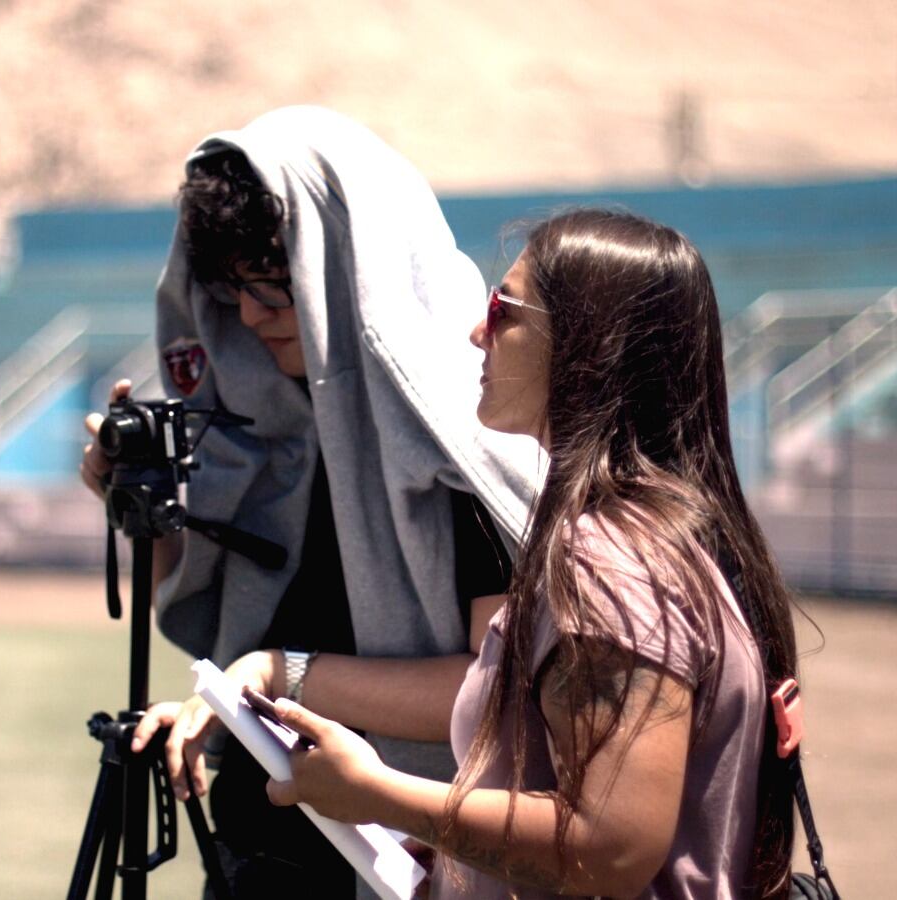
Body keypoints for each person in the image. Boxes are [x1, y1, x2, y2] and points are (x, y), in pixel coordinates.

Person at [261, 208, 803, 899]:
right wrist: (461, 858)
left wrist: (378, 793)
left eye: (503, 310)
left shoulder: (609, 559)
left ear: (588, 344)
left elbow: (611, 846)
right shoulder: (657, 535)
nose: (477, 333)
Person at [78, 106, 542, 898]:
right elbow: (204, 607)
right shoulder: (266, 425)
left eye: (272, 285)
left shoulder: (461, 435)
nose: (249, 317)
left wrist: (279, 675)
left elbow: (492, 691)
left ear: (344, 269)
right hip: (255, 843)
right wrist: (135, 504)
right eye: (231, 290)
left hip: (404, 858)